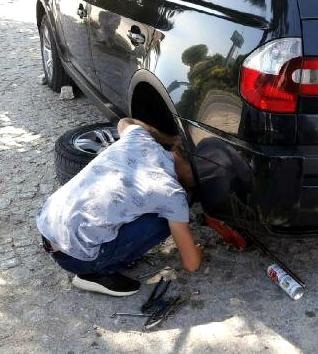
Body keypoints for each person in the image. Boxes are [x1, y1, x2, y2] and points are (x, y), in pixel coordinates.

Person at [36, 118, 202, 297]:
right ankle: (96, 273)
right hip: (73, 259)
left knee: (144, 206)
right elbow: (192, 265)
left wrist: (168, 139)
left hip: (47, 226)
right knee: (164, 220)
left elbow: (125, 121)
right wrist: (196, 251)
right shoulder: (172, 193)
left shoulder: (138, 138)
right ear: (194, 170)